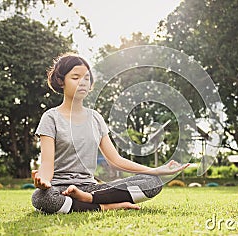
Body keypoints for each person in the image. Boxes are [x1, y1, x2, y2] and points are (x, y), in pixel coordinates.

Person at [31, 53, 189, 213]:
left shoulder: (95, 118)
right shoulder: (51, 117)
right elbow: (47, 164)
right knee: (41, 197)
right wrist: (43, 181)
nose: (83, 83)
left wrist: (156, 171)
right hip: (59, 188)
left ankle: (88, 201)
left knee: (153, 182)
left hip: (90, 188)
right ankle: (106, 206)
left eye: (86, 78)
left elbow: (115, 160)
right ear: (60, 81)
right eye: (75, 77)